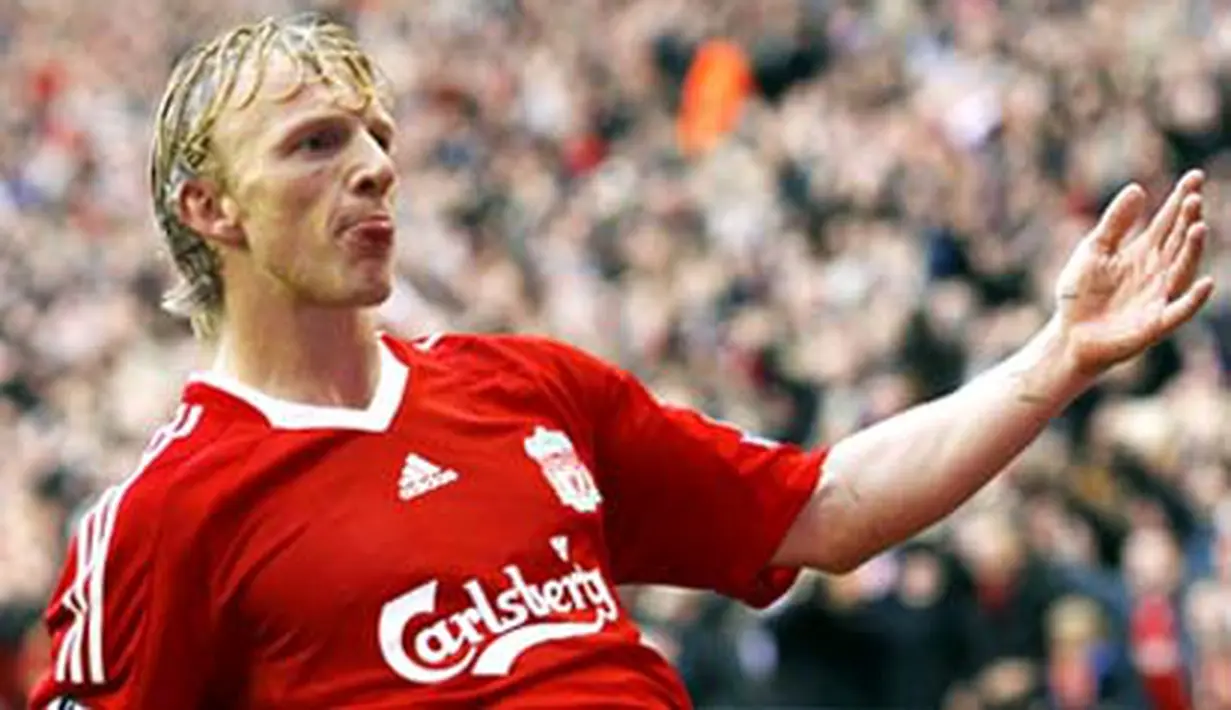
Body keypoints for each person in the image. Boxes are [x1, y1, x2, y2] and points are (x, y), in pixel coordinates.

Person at [28, 13, 1215, 709]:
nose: (377, 166)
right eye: (317, 143)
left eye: (380, 137)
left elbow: (829, 505)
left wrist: (1054, 359)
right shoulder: (163, 514)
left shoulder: (528, 386)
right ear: (213, 209)